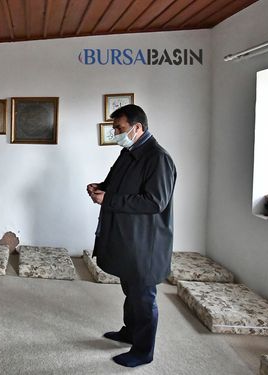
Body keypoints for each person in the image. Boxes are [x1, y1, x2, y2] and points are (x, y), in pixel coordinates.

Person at [87, 104, 176, 367]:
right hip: (130, 240)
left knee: (143, 297)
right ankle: (129, 332)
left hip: (146, 244)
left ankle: (142, 350)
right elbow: (117, 185)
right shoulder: (130, 152)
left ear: (138, 128)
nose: (115, 133)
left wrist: (109, 199)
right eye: (114, 128)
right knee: (131, 291)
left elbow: (154, 202)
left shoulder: (158, 158)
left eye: (119, 128)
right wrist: (101, 187)